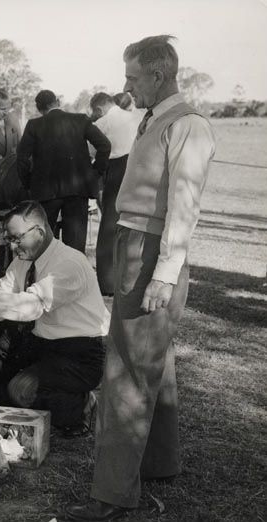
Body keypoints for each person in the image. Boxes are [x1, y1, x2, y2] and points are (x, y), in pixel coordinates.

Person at [66, 35, 215, 521]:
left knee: (127, 369)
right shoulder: (154, 119)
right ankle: (157, 463)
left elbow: (184, 208)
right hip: (135, 243)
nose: (125, 85)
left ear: (157, 75)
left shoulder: (187, 124)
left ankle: (111, 496)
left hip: (151, 252)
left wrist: (163, 275)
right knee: (155, 358)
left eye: (132, 77)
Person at [0, 200, 110, 437]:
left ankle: (83, 405)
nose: (12, 246)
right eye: (9, 239)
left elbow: (33, 305)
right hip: (40, 343)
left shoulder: (70, 263)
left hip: (80, 352)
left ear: (39, 232)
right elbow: (0, 299)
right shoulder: (22, 260)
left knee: (22, 390)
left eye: (16, 238)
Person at [17, 90, 111, 253]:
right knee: (75, 248)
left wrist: (28, 184)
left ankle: (46, 277)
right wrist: (93, 174)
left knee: (44, 246)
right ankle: (73, 277)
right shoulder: (81, 120)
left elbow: (21, 158)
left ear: (39, 108)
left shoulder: (34, 125)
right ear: (57, 102)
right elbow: (105, 146)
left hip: (45, 192)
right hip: (77, 190)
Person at [89, 92, 142, 295]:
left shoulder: (101, 123)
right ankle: (132, 278)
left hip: (117, 169)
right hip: (139, 168)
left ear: (99, 109)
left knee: (110, 223)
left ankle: (108, 283)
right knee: (136, 223)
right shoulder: (135, 117)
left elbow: (90, 152)